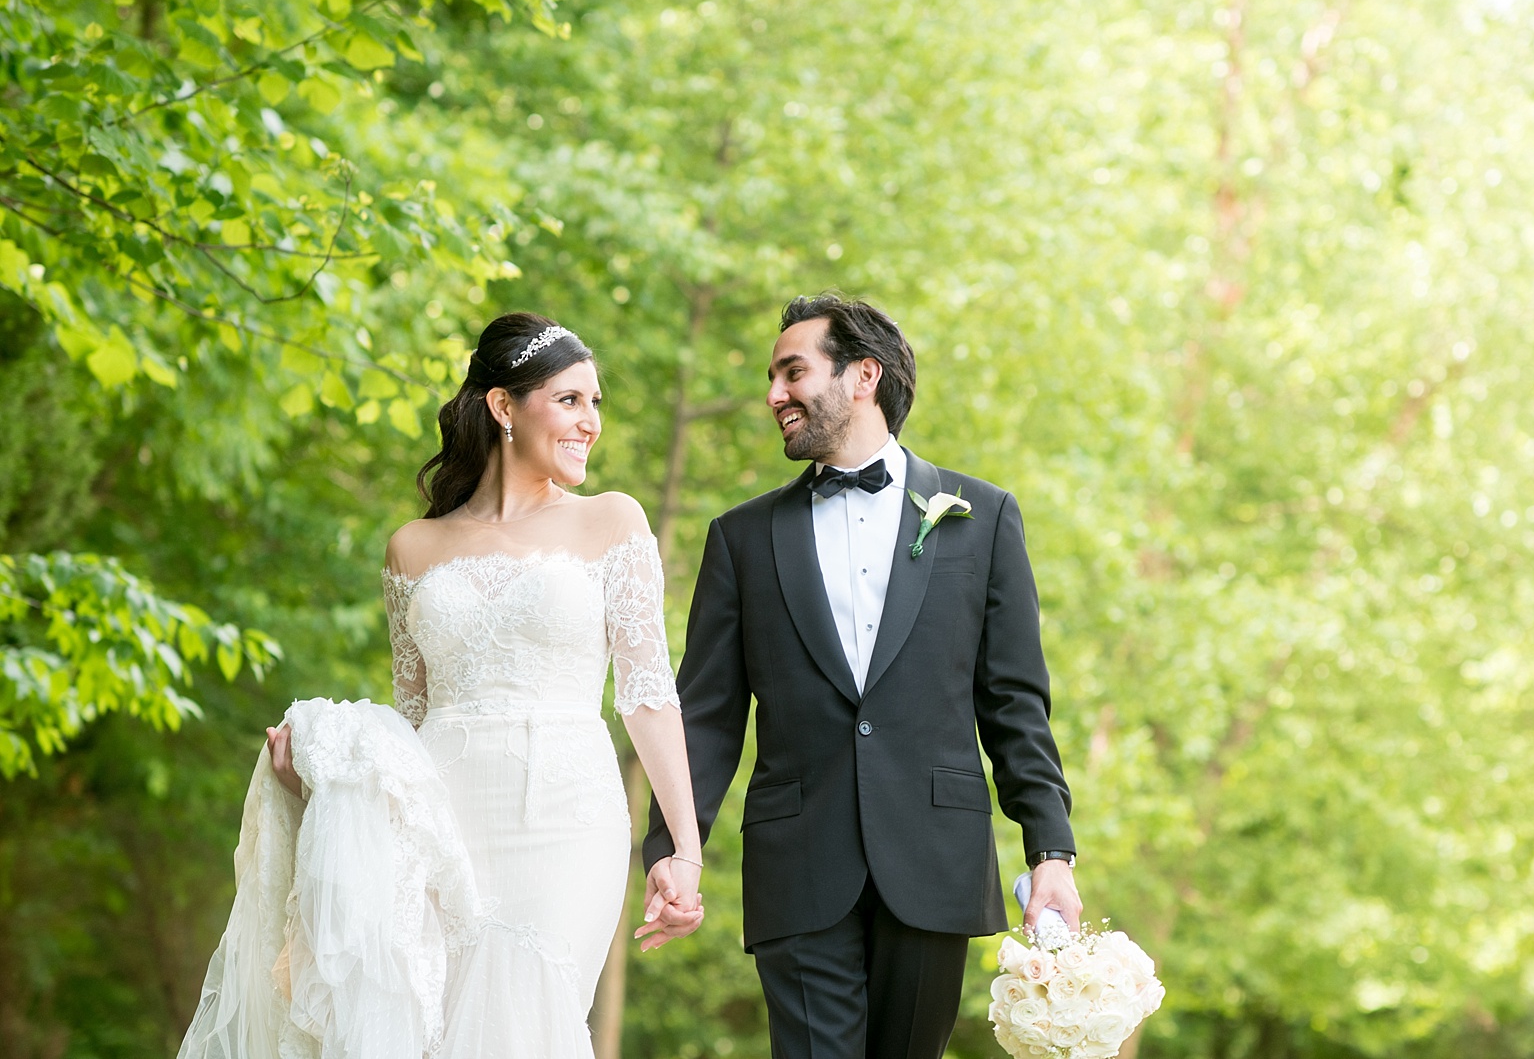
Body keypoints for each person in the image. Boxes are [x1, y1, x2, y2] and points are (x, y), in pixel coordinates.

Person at [638, 293, 1082, 1059]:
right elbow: (706, 713)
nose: (774, 395)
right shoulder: (740, 539)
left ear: (863, 376)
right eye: (773, 377)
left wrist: (1051, 851)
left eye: (792, 371)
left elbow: (1015, 704)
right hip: (798, 863)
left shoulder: (983, 516)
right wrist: (675, 848)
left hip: (936, 860)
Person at [263, 312, 704, 1055]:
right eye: (569, 399)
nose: (590, 422)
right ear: (504, 405)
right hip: (442, 821)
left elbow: (649, 694)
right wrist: (323, 779)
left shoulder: (613, 522)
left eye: (596, 402)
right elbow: (410, 719)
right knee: (435, 1023)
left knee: (531, 1016)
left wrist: (684, 850)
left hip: (567, 815)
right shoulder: (413, 546)